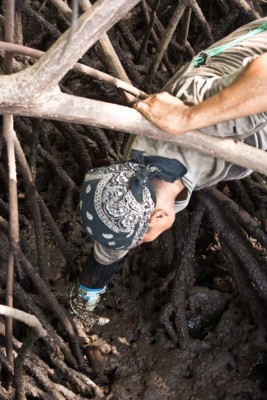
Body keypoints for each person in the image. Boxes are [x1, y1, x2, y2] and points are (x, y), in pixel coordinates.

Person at [70, 18, 267, 319]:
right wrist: (85, 299)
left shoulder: (205, 115)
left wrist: (187, 117)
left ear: (160, 216)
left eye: (140, 238)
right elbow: (110, 244)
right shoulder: (132, 174)